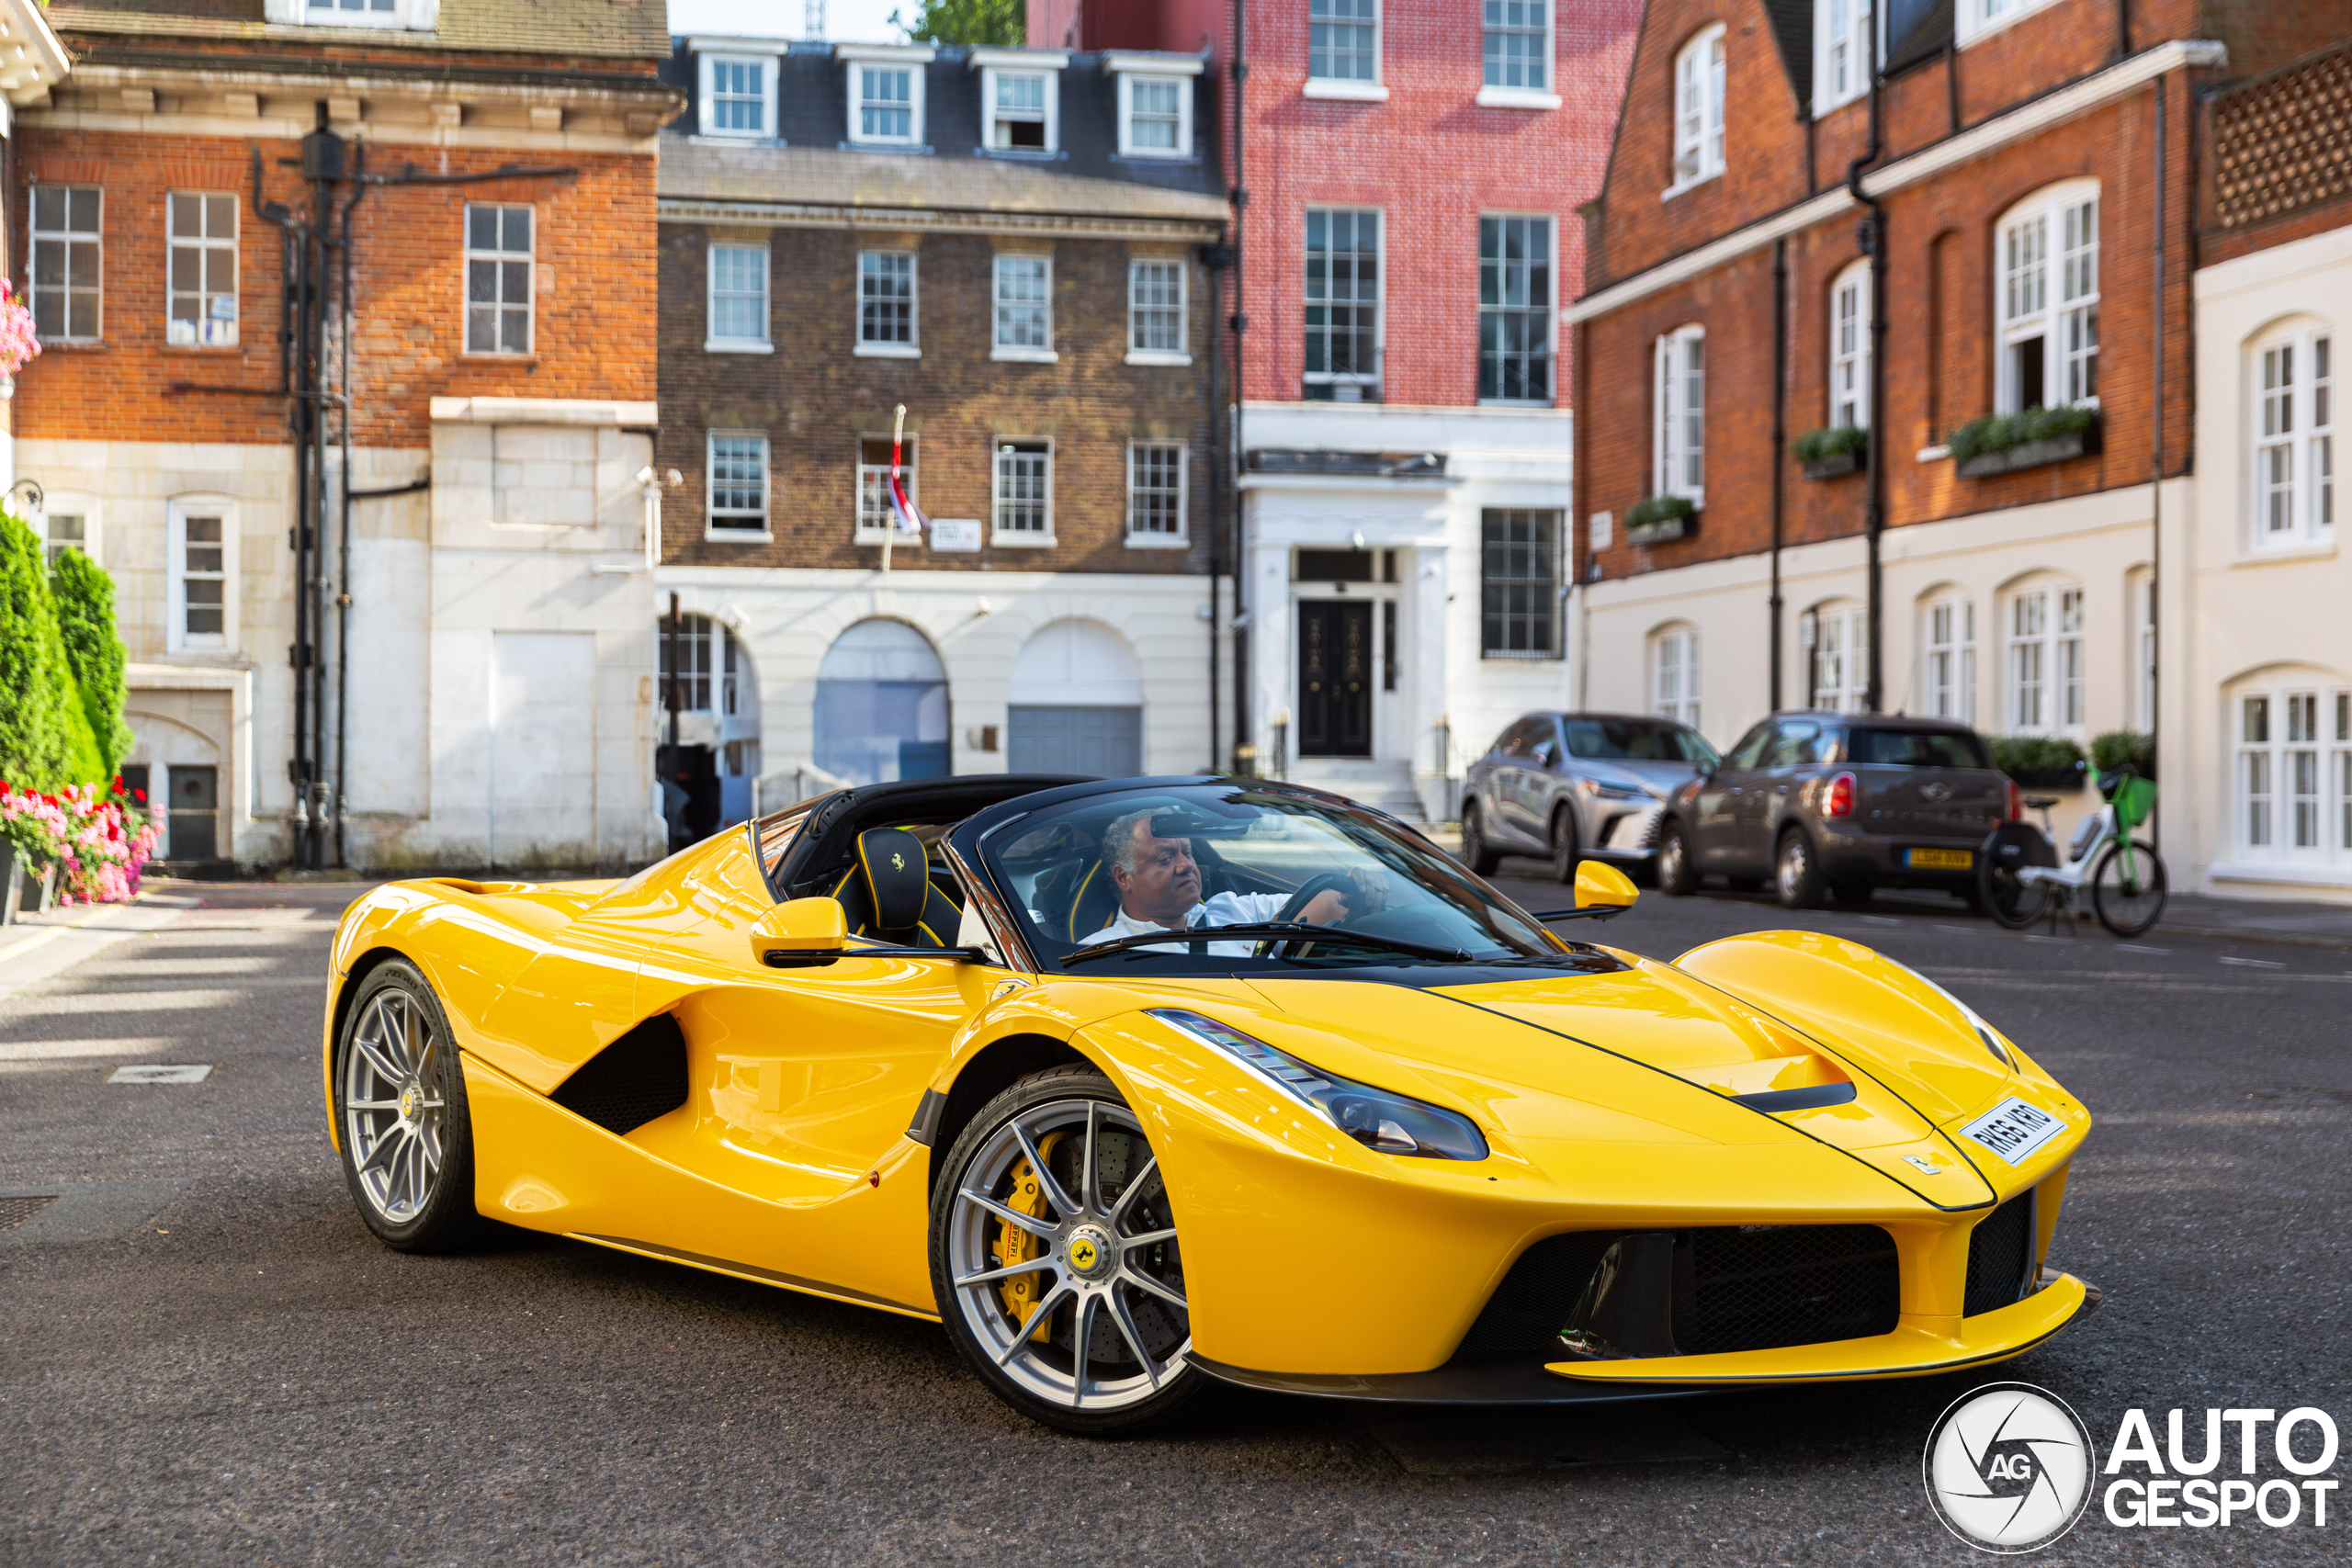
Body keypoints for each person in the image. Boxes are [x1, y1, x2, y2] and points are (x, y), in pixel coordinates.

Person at [1075, 807, 1383, 957]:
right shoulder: (1099, 953)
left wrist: (1357, 889)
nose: (1185, 866)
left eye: (1187, 852)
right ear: (1123, 877)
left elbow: (1326, 906)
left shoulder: (1239, 912)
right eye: (1165, 859)